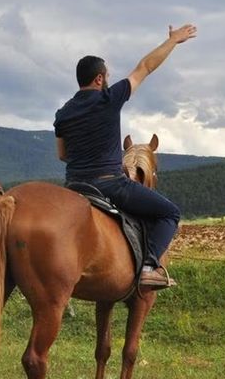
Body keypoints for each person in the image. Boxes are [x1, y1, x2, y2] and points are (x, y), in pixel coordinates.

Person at [53, 24, 197, 289]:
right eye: (107, 75)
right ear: (99, 79)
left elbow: (63, 155)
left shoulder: (63, 113)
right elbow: (146, 67)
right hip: (110, 184)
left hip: (74, 187)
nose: (108, 79)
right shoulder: (109, 98)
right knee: (170, 213)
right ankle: (149, 267)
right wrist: (174, 41)